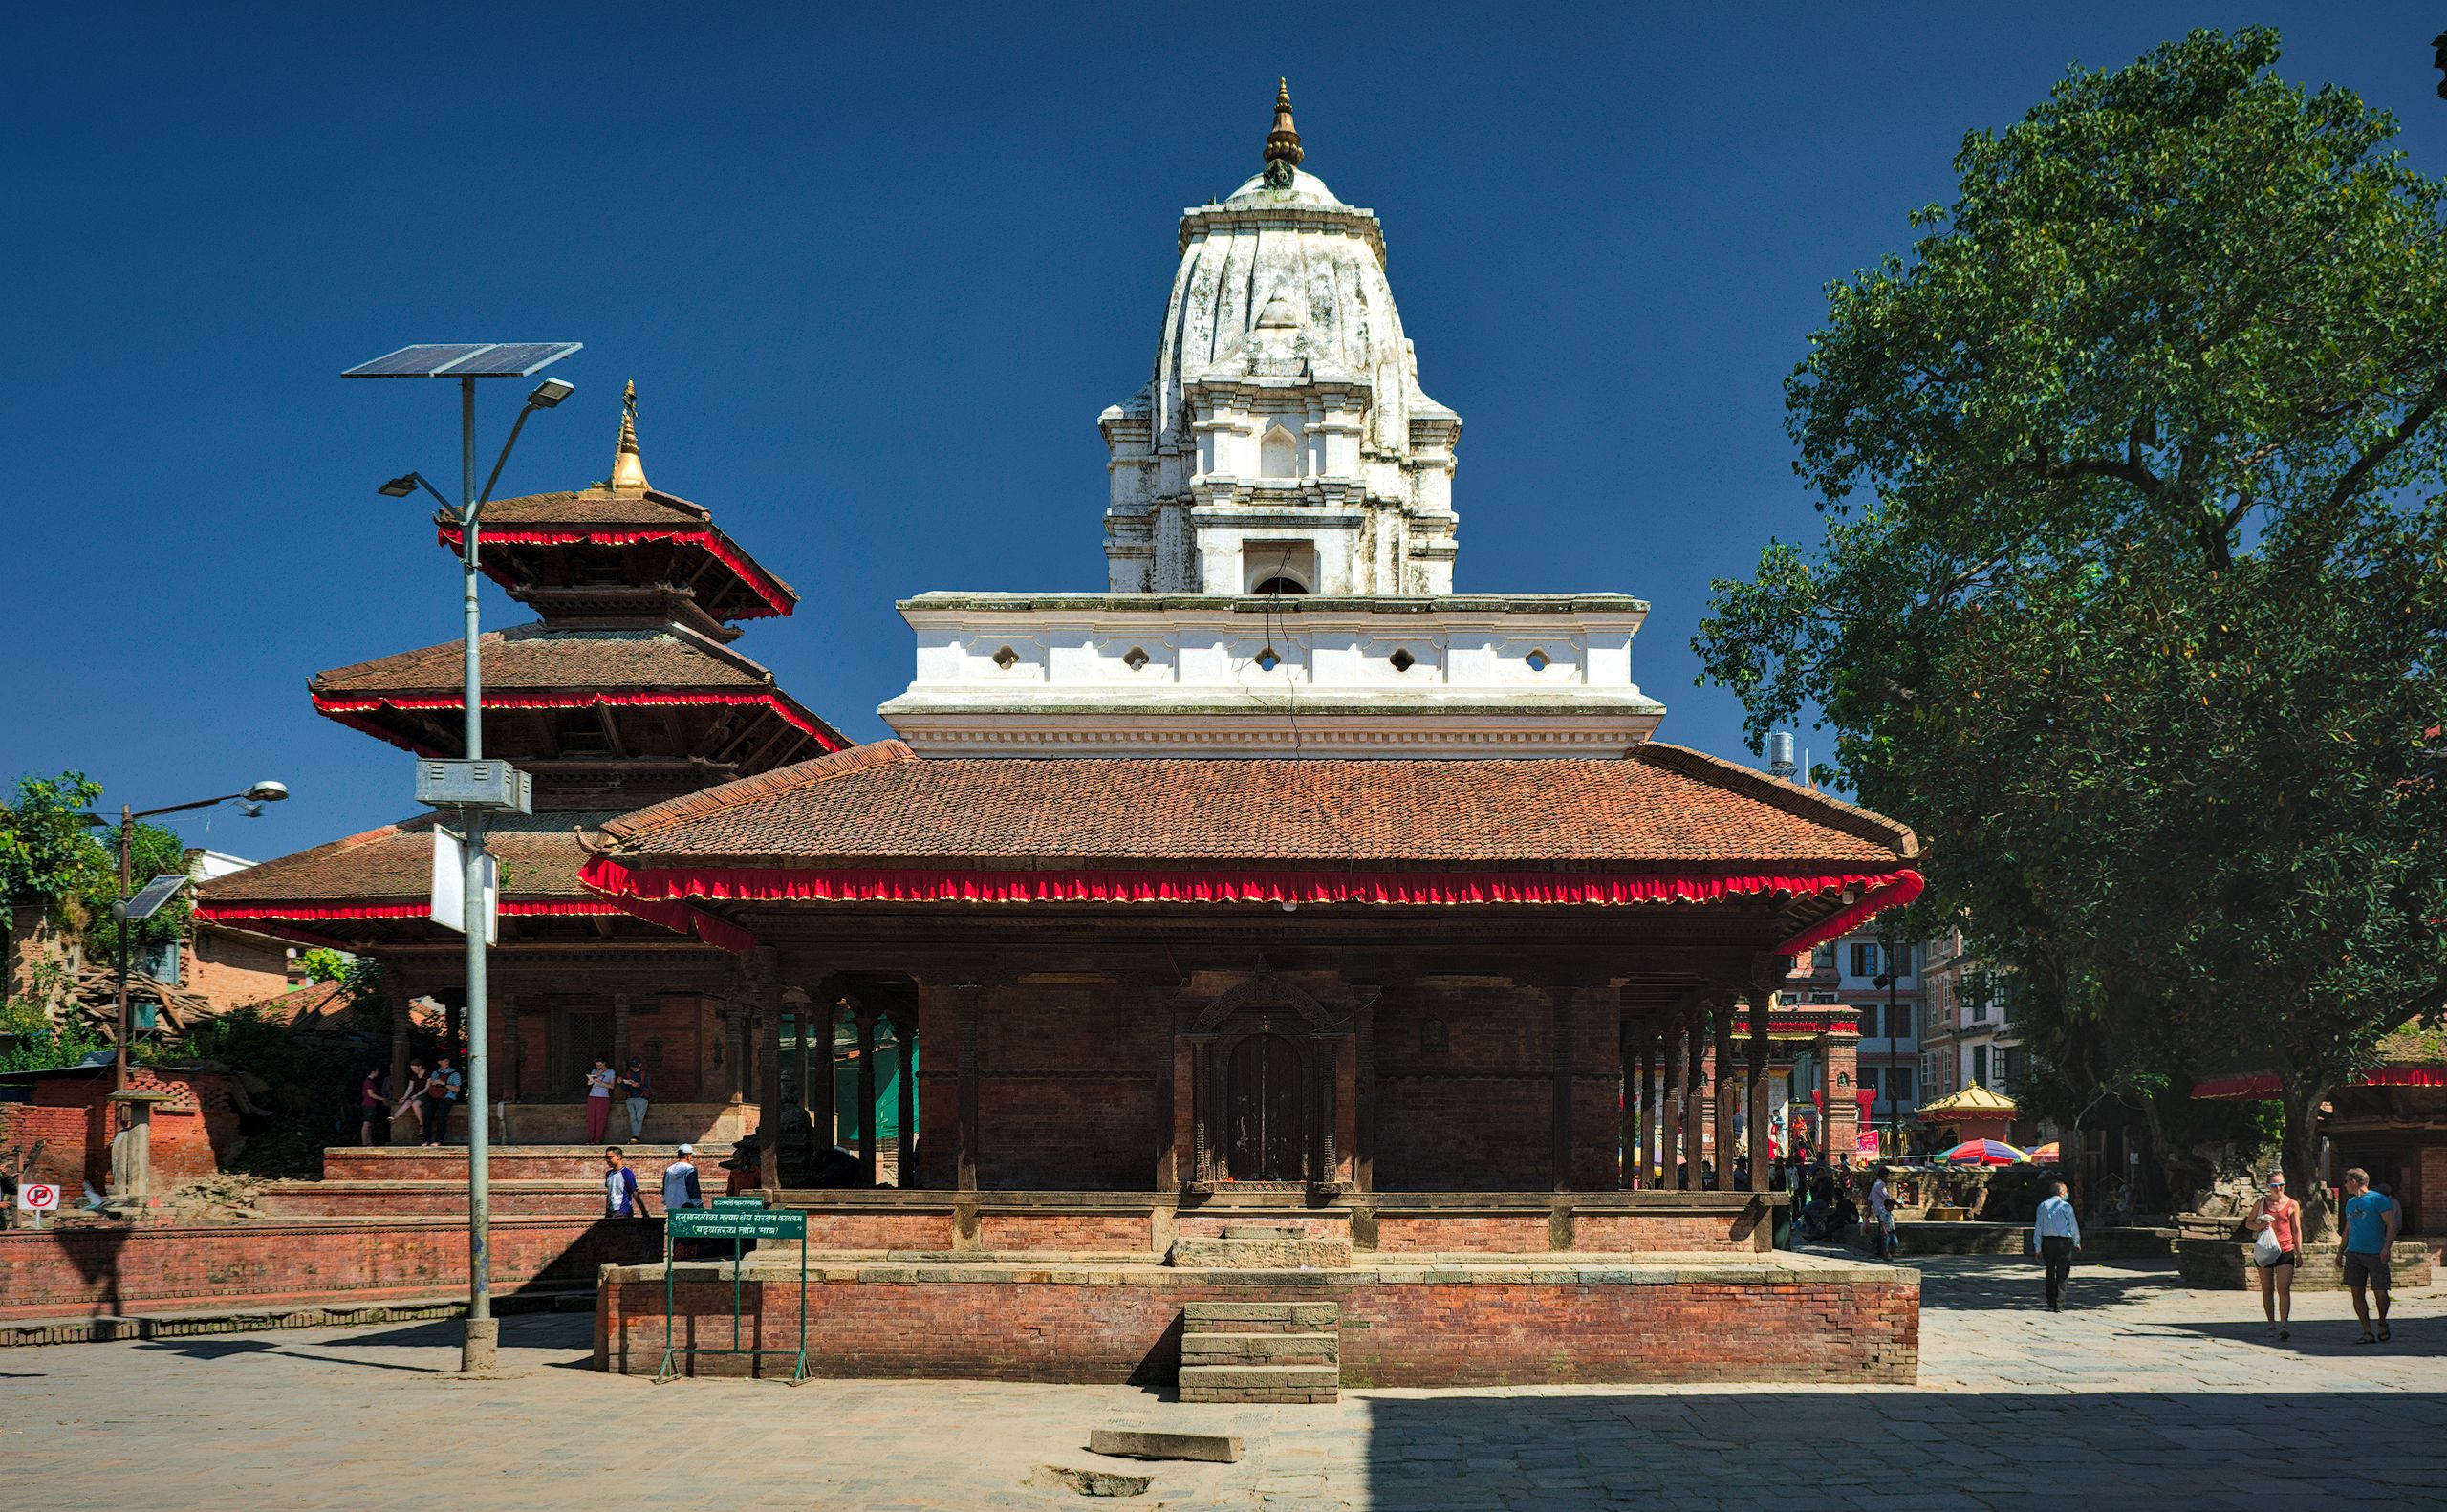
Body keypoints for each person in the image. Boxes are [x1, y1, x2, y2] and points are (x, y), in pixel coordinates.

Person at [2338, 1167, 2400, 1344]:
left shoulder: (2377, 1200)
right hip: (2354, 1253)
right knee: (2356, 1292)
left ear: (2354, 1182)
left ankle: (2382, 1321)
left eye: (2346, 1181)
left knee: (2381, 1292)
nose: (2344, 1185)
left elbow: (2391, 1225)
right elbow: (2348, 1228)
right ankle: (2367, 1331)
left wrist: (2386, 1248)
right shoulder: (2350, 1203)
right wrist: (2341, 1250)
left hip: (2375, 1252)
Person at [2245, 1173, 2301, 1341]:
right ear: (2268, 1187)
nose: (2279, 1188)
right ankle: (2271, 1322)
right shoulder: (2261, 1203)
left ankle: (2284, 1324)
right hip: (2266, 1249)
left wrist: (2299, 1252)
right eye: (2275, 1185)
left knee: (2284, 1286)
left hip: (2285, 1248)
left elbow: (2297, 1229)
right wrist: (2260, 1225)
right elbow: (2248, 1223)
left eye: (2281, 1185)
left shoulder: (2292, 1204)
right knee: (2267, 1287)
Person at [2034, 1179, 2081, 1311]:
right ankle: (2059, 1302)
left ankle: (2050, 1299)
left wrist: (2037, 1247)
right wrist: (2076, 1242)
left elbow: (2038, 1227)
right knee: (2062, 1272)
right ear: (2062, 1192)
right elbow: (2073, 1226)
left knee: (2050, 1271)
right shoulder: (2066, 1207)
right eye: (2066, 1192)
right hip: (2064, 1242)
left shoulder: (2042, 1206)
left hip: (2048, 1242)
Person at [423, 1055, 461, 1146]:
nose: (446, 1062)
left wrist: (443, 1083)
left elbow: (457, 1089)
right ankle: (427, 1139)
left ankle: (438, 1140)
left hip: (447, 1097)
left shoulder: (455, 1074)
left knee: (441, 1117)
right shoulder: (435, 1073)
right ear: (439, 1062)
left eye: (447, 1060)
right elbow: (431, 1085)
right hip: (434, 1097)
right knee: (427, 1115)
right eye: (444, 1060)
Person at [603, 1146, 648, 1217]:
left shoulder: (627, 1173)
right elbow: (609, 1193)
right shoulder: (608, 1174)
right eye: (606, 1158)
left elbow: (635, 1193)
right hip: (610, 1211)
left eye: (609, 1158)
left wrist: (644, 1212)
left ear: (618, 1157)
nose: (607, 1161)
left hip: (623, 1211)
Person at [395, 1060, 430, 1144]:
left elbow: (427, 1087)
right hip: (414, 1094)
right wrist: (404, 1097)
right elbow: (410, 1088)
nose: (413, 1070)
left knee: (415, 1104)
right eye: (412, 1069)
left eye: (414, 1068)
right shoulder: (413, 1076)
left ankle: (422, 1125)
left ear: (420, 1066)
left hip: (424, 1094)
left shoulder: (427, 1074)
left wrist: (417, 1095)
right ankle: (395, 1117)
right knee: (407, 1103)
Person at [618, 1057, 653, 1141]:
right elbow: (625, 1088)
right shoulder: (628, 1074)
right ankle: (635, 1135)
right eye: (632, 1066)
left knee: (639, 1117)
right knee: (632, 1117)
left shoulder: (645, 1074)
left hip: (641, 1098)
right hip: (630, 1098)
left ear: (640, 1065)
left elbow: (648, 1088)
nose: (633, 1068)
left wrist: (639, 1086)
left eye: (635, 1066)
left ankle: (635, 1136)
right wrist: (621, 1082)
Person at [662, 1142, 704, 1212]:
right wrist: (699, 1206)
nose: (691, 1159)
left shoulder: (668, 1170)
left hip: (671, 1210)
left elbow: (664, 1190)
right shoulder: (690, 1170)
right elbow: (693, 1190)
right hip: (687, 1210)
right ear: (688, 1157)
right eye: (691, 1156)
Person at [585, 1056, 617, 1143]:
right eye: (597, 1064)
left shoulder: (611, 1072)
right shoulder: (594, 1071)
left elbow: (612, 1086)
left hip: (603, 1097)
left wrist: (602, 1083)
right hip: (592, 1096)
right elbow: (589, 1083)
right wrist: (597, 1074)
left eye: (600, 1064)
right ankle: (591, 1139)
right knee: (591, 1118)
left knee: (600, 1118)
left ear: (604, 1063)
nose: (598, 1066)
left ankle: (598, 1138)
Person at [1868, 1168, 1897, 1259]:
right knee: (1884, 1232)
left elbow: (1869, 1199)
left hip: (1877, 1209)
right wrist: (1897, 1203)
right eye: (1887, 1176)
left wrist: (1868, 1210)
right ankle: (1875, 1242)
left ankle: (1879, 1250)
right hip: (1882, 1210)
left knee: (1882, 1230)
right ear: (1884, 1176)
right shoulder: (1880, 1185)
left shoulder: (1875, 1185)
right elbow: (1887, 1197)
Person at [358, 1067, 389, 1146]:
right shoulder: (368, 1082)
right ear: (373, 1071)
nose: (378, 1073)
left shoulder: (371, 1082)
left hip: (371, 1105)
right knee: (367, 1123)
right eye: (377, 1071)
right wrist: (383, 1099)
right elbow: (370, 1094)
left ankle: (369, 1142)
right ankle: (365, 1143)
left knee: (370, 1124)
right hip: (368, 1105)